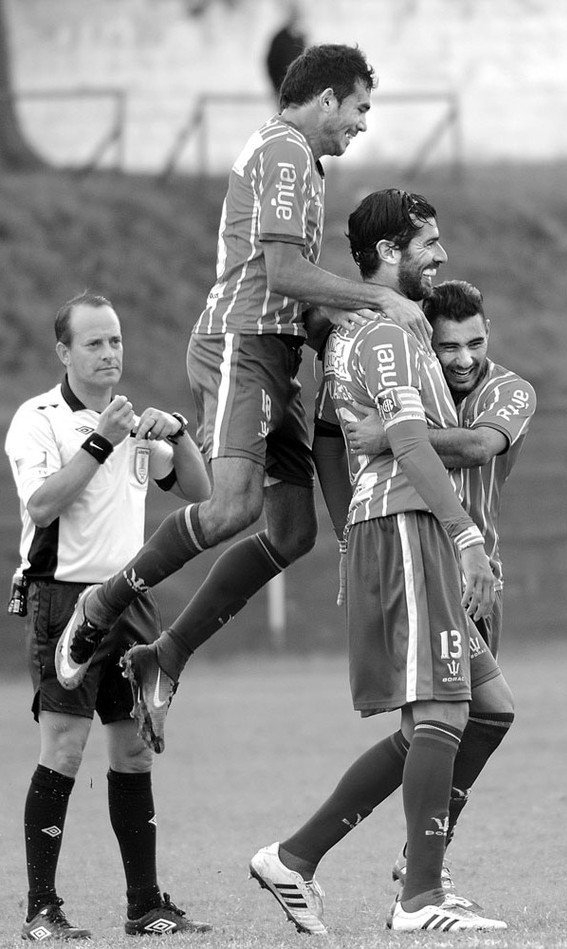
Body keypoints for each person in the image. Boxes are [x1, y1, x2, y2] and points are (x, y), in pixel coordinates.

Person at [56, 45, 431, 754]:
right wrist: (376, 295)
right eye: (359, 109)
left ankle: (164, 654)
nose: (361, 125)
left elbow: (298, 291)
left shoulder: (302, 163)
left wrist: (345, 331)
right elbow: (284, 272)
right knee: (233, 505)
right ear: (326, 100)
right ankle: (101, 603)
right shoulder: (285, 150)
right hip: (242, 343)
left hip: (277, 351)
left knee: (292, 531)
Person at [249, 189, 508, 934]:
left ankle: (295, 859)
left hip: (395, 522)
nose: (442, 254)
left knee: (487, 706)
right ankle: (420, 896)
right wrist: (464, 536)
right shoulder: (387, 336)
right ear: (390, 253)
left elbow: (344, 437)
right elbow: (409, 443)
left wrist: (350, 522)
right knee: (441, 709)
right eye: (429, 241)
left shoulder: (382, 332)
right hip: (406, 525)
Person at [4, 292, 212, 940]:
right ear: (64, 352)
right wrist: (102, 440)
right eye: (94, 342)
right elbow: (41, 506)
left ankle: (144, 904)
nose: (109, 353)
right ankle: (41, 909)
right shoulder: (37, 418)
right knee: (64, 748)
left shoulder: (135, 422)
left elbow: (202, 492)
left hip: (132, 598)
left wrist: (175, 430)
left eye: (115, 341)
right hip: (61, 598)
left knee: (134, 751)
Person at [340, 278, 536, 889]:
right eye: (449, 347)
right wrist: (399, 438)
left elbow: (479, 446)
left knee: (476, 721)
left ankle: (416, 857)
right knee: (436, 726)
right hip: (421, 563)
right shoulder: (408, 375)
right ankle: (417, 873)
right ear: (430, 340)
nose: (465, 359)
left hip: (480, 579)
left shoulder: (511, 389)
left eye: (475, 342)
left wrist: (396, 437)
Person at [265, 1, 307, 102]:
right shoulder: (280, 38)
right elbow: (271, 62)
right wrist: (276, 86)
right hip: (281, 87)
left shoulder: (300, 39)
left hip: (298, 89)